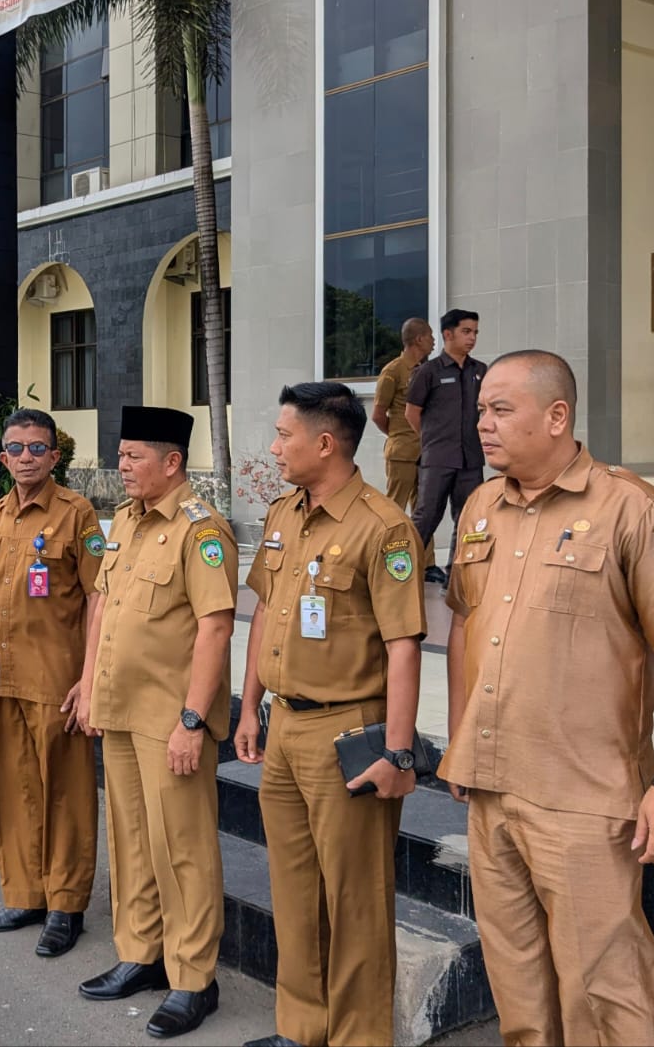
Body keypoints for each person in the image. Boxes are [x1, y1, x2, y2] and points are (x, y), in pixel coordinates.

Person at [439, 351, 654, 1046]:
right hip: (492, 783)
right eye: (481, 410)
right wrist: (458, 741)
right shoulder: (481, 505)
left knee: (604, 987)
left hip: (584, 795)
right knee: (517, 979)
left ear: (557, 416)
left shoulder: (632, 508)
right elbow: (464, 626)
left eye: (501, 409)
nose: (483, 424)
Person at [235, 382, 426, 1047]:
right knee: (293, 889)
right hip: (284, 724)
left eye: (283, 435)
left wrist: (398, 752)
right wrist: (250, 704)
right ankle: (302, 1028)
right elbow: (265, 610)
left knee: (355, 901)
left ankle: (358, 1037)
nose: (274, 447)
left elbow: (403, 645)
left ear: (323, 443)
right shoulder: (284, 513)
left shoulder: (383, 526)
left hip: (348, 731)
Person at [73, 405, 237, 1040]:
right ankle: (141, 954)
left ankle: (194, 979)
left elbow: (215, 628)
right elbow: (103, 605)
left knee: (182, 848)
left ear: (172, 462)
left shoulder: (201, 530)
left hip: (169, 717)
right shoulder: (124, 520)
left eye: (134, 456)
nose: (122, 465)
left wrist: (193, 720)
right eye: (121, 455)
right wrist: (89, 686)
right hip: (119, 707)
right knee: (132, 838)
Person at [0, 409, 103, 959]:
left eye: (37, 448)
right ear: (4, 457)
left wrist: (88, 678)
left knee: (65, 794)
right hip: (1, 676)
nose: (27, 457)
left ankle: (65, 906)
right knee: (11, 787)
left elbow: (98, 598)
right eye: (17, 448)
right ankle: (25, 895)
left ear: (55, 456)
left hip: (54, 678)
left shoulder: (77, 513)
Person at [405, 309, 486, 586]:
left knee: (468, 519)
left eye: (475, 332)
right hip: (438, 458)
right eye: (466, 331)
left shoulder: (480, 371)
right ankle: (400, 574)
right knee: (426, 517)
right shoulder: (428, 372)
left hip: (471, 459)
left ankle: (456, 578)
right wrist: (432, 440)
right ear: (448, 334)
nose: (472, 338)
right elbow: (412, 413)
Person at [372, 317, 435, 513]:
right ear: (419, 339)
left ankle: (419, 537)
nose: (434, 341)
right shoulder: (393, 371)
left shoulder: (426, 371)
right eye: (430, 336)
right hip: (402, 453)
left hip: (424, 451)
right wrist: (399, 435)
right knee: (394, 508)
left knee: (423, 510)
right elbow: (378, 415)